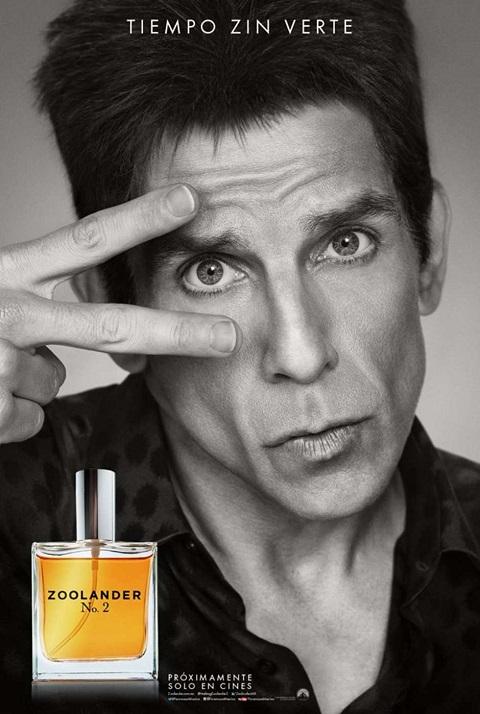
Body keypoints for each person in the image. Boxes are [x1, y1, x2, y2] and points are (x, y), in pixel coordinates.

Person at [1, 1, 479, 712]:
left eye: (345, 243)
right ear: (109, 305)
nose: (302, 354)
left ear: (429, 252)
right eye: (211, 272)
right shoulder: (17, 522)